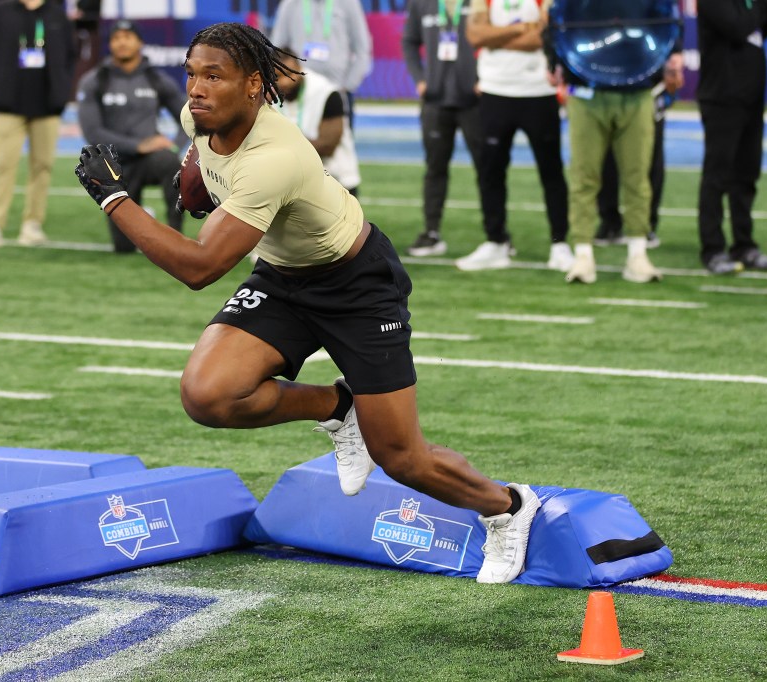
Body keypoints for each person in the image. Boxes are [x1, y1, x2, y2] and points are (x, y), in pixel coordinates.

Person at [75, 22, 541, 584]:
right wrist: (193, 179)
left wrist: (116, 199)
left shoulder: (278, 154)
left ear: (253, 85)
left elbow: (199, 269)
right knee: (208, 395)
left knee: (401, 457)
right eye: (191, 74)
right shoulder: (196, 118)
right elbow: (199, 161)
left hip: (357, 284)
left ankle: (507, 507)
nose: (195, 88)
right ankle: (336, 407)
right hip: (284, 276)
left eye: (213, 76)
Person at [547, 1, 680, 284]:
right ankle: (583, 254)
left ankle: (637, 254)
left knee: (637, 175)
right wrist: (552, 59)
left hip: (638, 87)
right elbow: (558, 16)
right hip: (585, 89)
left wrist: (675, 53)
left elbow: (664, 14)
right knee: (584, 175)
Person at [456, 0, 572, 272]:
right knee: (490, 171)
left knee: (551, 171)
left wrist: (496, 36)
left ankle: (560, 244)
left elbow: (541, 37)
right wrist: (521, 28)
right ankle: (495, 241)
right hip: (495, 90)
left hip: (538, 91)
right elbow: (475, 35)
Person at [76, 19, 188, 253]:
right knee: (124, 248)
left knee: (170, 162)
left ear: (139, 42)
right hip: (114, 166)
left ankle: (176, 237)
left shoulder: (156, 79)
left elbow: (189, 118)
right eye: (117, 38)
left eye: (128, 37)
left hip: (151, 161)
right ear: (110, 44)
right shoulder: (95, 81)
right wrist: (139, 145)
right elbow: (92, 133)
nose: (122, 43)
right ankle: (142, 217)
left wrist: (175, 147)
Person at [0, 0, 75, 248]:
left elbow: (70, 54)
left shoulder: (56, 15)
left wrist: (61, 89)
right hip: (9, 103)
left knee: (43, 166)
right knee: (2, 164)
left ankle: (32, 225)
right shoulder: (0, 11)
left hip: (47, 104)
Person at [401, 0, 485, 257]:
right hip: (435, 100)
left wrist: (486, 77)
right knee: (435, 168)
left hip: (476, 101)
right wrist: (420, 79)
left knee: (488, 169)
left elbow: (492, 38)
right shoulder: (421, 3)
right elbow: (409, 41)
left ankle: (497, 235)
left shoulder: (482, 2)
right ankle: (431, 232)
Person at [695, 0, 767, 274]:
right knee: (717, 177)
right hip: (722, 97)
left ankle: (744, 243)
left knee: (746, 176)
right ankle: (713, 248)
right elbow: (738, 27)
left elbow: (763, 26)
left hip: (751, 96)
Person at [594, 80, 676, 250]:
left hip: (648, 89)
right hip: (607, 86)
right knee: (605, 158)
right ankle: (609, 222)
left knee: (650, 158)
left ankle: (646, 225)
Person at [269, 0, 372, 129]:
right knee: (296, 144)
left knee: (339, 146)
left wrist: (347, 87)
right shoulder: (290, 3)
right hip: (300, 94)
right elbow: (276, 49)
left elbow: (363, 50)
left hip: (337, 90)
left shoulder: (349, 3)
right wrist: (285, 83)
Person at [273, 50, 361, 195]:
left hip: (337, 180)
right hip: (294, 181)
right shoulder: (266, 93)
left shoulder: (327, 92)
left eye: (290, 74)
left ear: (300, 70)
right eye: (278, 77)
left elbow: (327, 145)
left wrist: (278, 147)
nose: (285, 81)